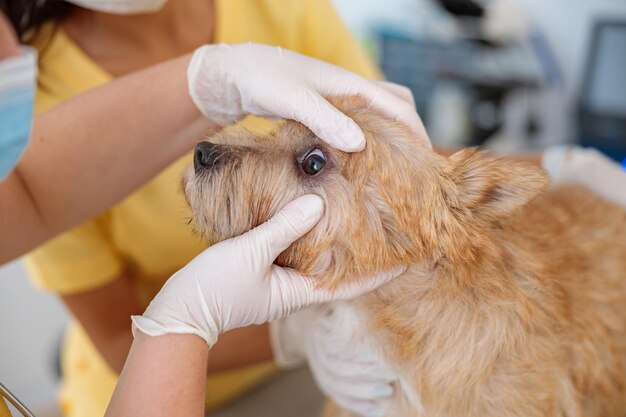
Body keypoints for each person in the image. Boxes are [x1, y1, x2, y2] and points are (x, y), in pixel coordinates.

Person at [0, 5, 421, 417]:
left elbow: (29, 195)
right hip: (153, 386)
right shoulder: (35, 99)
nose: (11, 51)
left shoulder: (282, 10)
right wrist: (289, 333)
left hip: (326, 349)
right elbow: (113, 337)